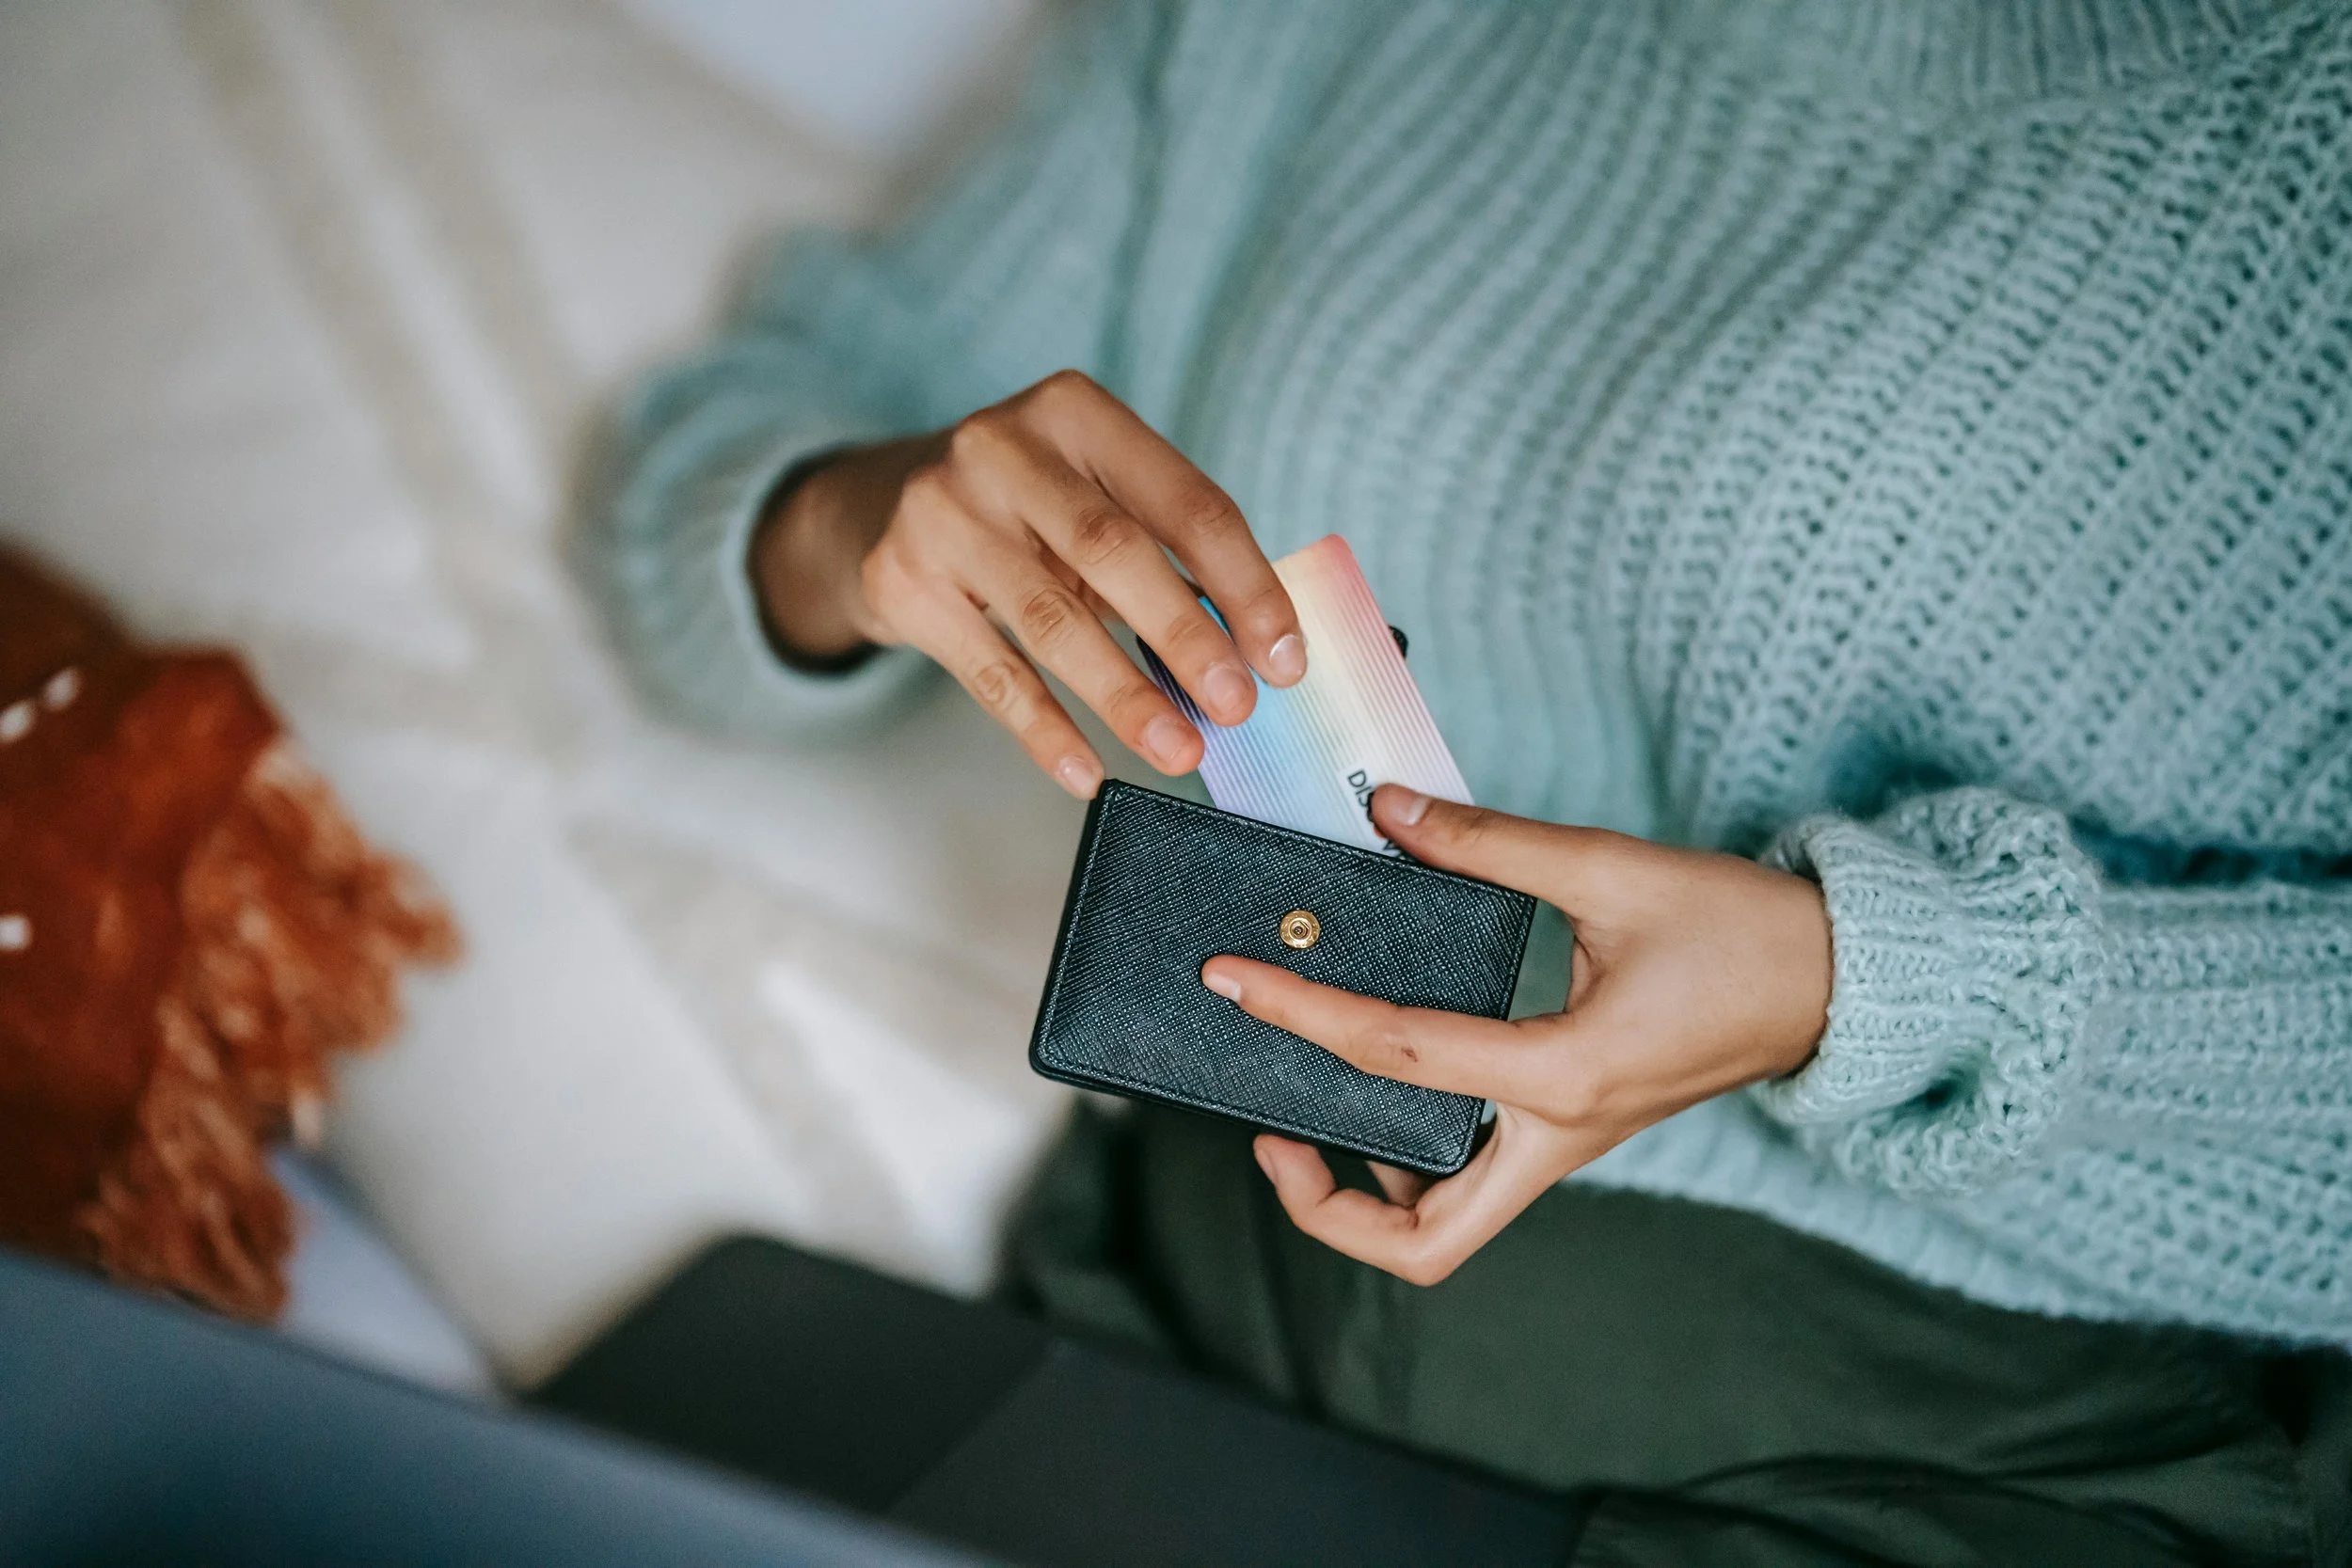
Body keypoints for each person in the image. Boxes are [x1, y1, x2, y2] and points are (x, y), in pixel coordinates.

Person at [580, 2, 2352, 1560]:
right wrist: (863, 516)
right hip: (1172, 1343)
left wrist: (1875, 979)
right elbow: (726, 462)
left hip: (1939, 1463)